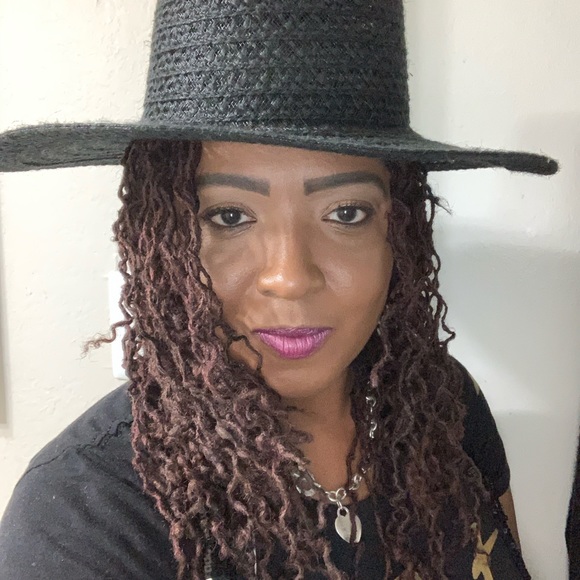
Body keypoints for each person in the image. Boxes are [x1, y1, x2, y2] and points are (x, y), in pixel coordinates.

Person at [0, 1, 558, 579]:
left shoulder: (443, 403)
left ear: (402, 232)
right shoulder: (83, 522)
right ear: (160, 237)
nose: (289, 277)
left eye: (346, 212)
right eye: (229, 217)